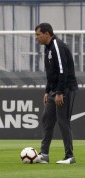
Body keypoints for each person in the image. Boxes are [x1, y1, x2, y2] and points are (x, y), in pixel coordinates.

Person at [35, 23, 78, 164]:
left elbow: (62, 71)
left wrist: (59, 92)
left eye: (38, 35)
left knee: (63, 121)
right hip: (54, 90)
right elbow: (51, 74)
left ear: (47, 34)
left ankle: (69, 156)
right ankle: (44, 155)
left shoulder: (57, 46)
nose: (36, 38)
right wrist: (48, 91)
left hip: (65, 89)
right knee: (47, 119)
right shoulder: (48, 49)